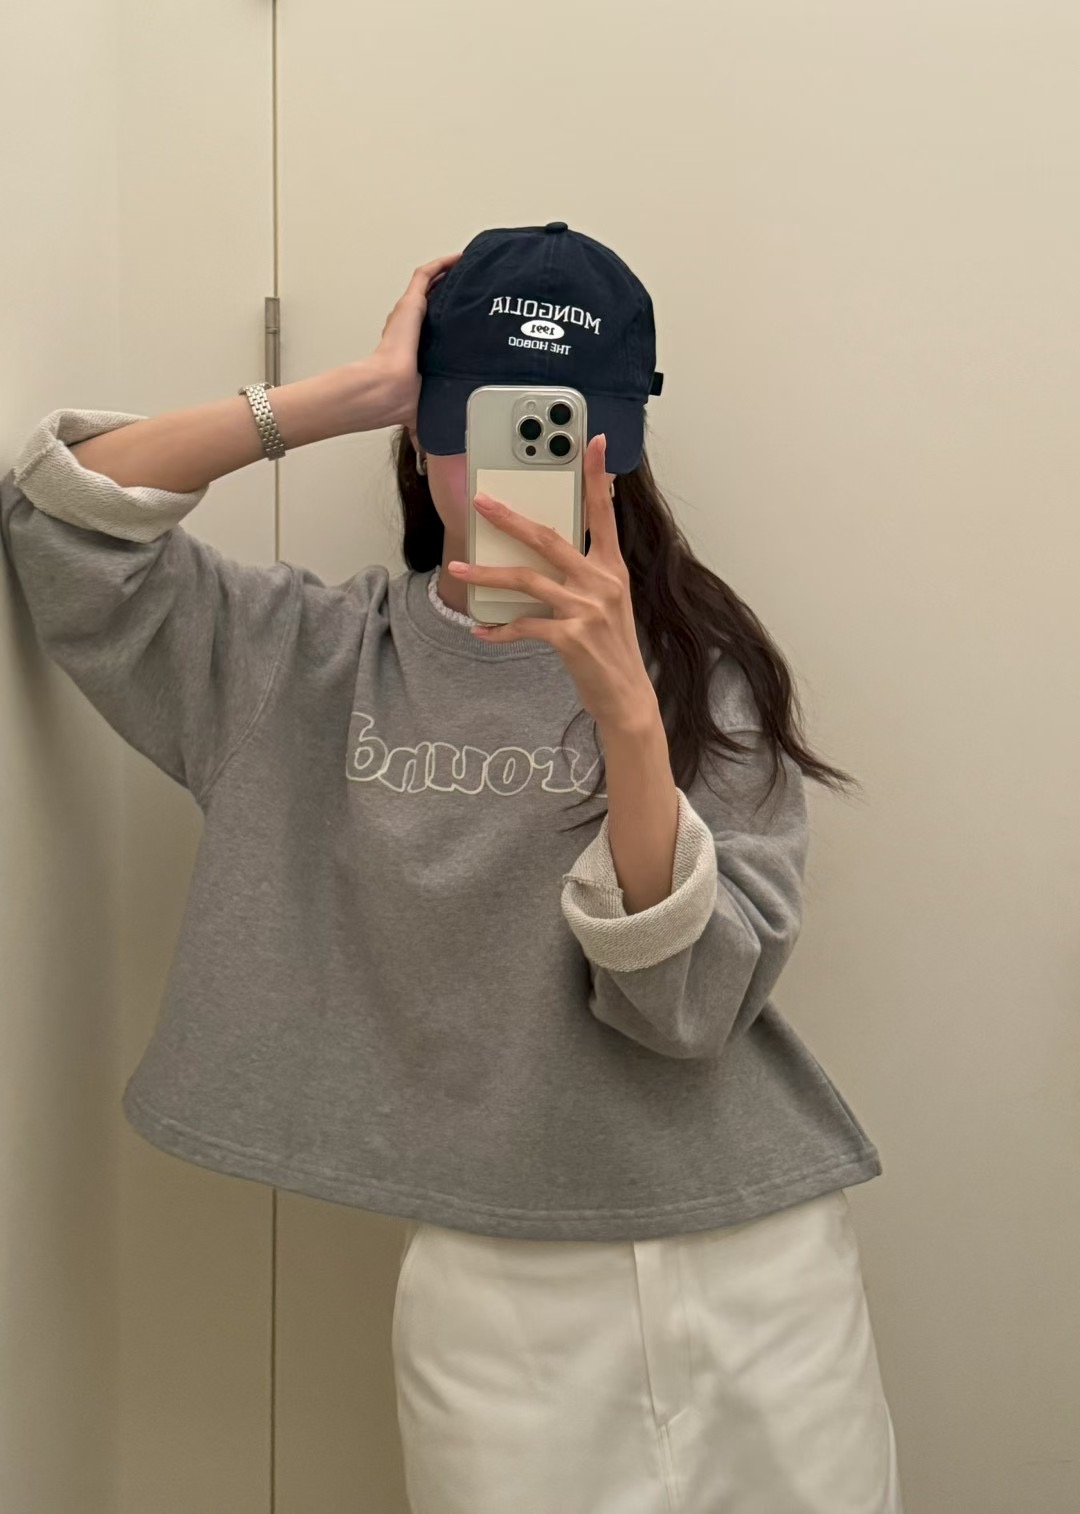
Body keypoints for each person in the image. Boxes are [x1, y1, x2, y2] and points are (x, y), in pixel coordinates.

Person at [0, 222, 904, 1513]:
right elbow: (60, 524)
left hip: (755, 1259)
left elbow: (688, 1007)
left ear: (620, 448)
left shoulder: (701, 673)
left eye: (557, 425)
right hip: (497, 1280)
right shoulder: (302, 658)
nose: (512, 463)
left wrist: (627, 712)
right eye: (474, 416)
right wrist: (334, 397)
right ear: (418, 425)